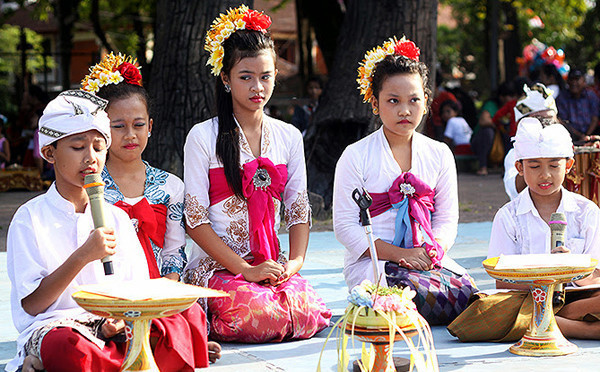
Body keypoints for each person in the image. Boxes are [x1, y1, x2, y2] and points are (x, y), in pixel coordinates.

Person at [182, 5, 331, 343]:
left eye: (265, 76)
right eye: (245, 76)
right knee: (258, 315)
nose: (257, 87)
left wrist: (293, 264)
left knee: (307, 311)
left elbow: (297, 209)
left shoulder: (289, 135)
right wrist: (245, 270)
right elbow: (195, 220)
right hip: (220, 265)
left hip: (270, 264)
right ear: (225, 78)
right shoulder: (202, 137)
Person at [80, 52, 220, 368]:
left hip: (158, 290)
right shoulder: (89, 188)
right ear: (101, 129)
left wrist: (163, 294)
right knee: (103, 328)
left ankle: (173, 338)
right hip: (109, 294)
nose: (130, 135)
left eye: (138, 125)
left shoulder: (170, 186)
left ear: (151, 126)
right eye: (118, 126)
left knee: (191, 313)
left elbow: (173, 252)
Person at [333, 36, 477, 326]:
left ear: (426, 101)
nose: (404, 110)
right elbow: (345, 227)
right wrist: (400, 255)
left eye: (414, 100)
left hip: (427, 259)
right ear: (374, 103)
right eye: (393, 101)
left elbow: (447, 219)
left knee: (469, 296)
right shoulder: (355, 155)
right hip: (374, 262)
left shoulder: (439, 154)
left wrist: (430, 252)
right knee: (395, 298)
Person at [6, 90, 150, 372]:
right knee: (67, 347)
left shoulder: (117, 217)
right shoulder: (29, 218)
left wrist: (120, 320)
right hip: (58, 327)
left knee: (184, 320)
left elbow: (137, 291)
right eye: (77, 147)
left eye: (98, 147)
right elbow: (33, 305)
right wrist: (83, 255)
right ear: (50, 152)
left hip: (114, 327)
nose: (90, 158)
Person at [448, 117, 600, 341]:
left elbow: (596, 275)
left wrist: (571, 269)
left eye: (554, 165)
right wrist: (546, 277)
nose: (545, 175)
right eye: (535, 166)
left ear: (568, 166)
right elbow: (502, 281)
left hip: (576, 298)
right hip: (526, 299)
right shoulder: (508, 216)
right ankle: (573, 327)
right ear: (519, 167)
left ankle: (546, 321)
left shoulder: (586, 211)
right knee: (492, 308)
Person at [504, 83, 558, 199]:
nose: (546, 125)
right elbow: (515, 189)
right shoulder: (514, 155)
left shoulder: (566, 151)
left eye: (550, 120)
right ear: (521, 125)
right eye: (539, 120)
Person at [470, 81, 517, 176]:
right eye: (510, 96)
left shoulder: (514, 106)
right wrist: (498, 125)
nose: (513, 99)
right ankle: (482, 166)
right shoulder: (491, 105)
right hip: (482, 141)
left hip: (501, 141)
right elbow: (483, 121)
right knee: (488, 132)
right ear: (501, 97)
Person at [557, 68, 599, 140]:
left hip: (591, 135)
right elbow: (562, 121)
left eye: (577, 79)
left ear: (584, 81)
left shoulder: (591, 95)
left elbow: (595, 118)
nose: (574, 83)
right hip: (570, 137)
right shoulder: (562, 98)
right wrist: (580, 136)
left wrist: (587, 136)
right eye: (571, 79)